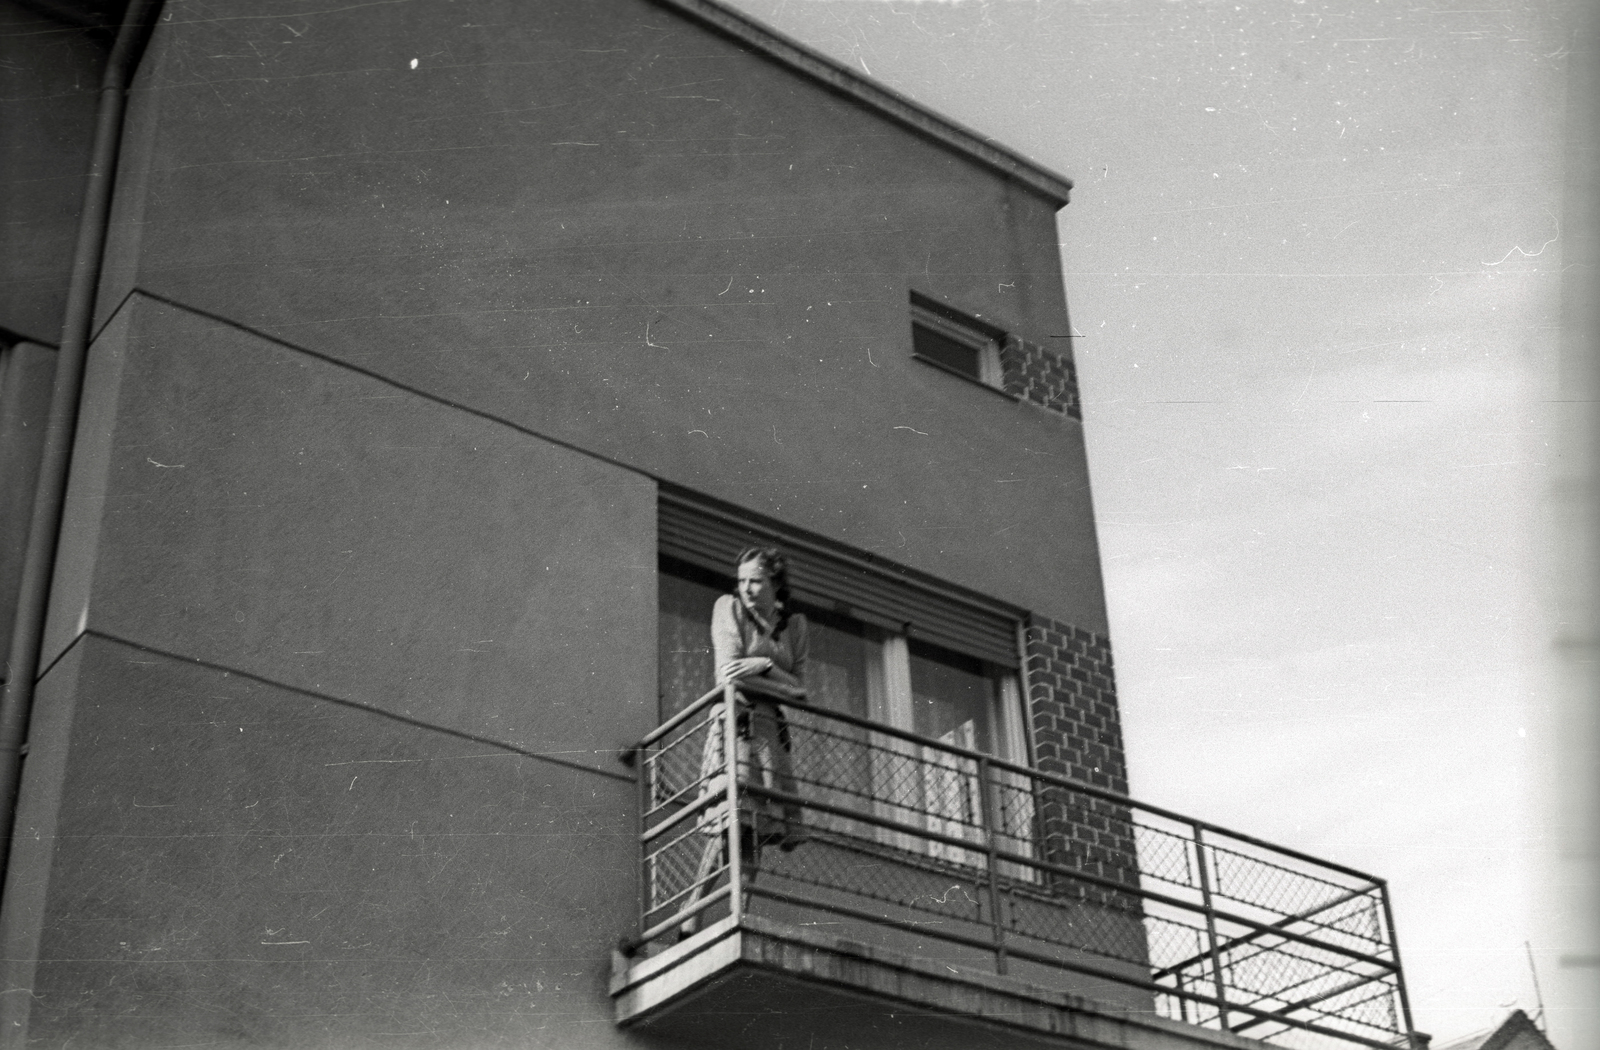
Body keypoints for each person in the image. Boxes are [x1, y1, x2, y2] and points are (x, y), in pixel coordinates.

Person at [707, 546, 809, 850]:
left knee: (756, 832)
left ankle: (742, 897)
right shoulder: (730, 608)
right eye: (741, 581)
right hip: (738, 722)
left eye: (755, 581)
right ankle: (699, 897)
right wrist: (782, 683)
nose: (746, 589)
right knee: (734, 825)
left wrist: (761, 666)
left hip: (769, 734)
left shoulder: (795, 626)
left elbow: (802, 691)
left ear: (775, 583)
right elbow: (727, 676)